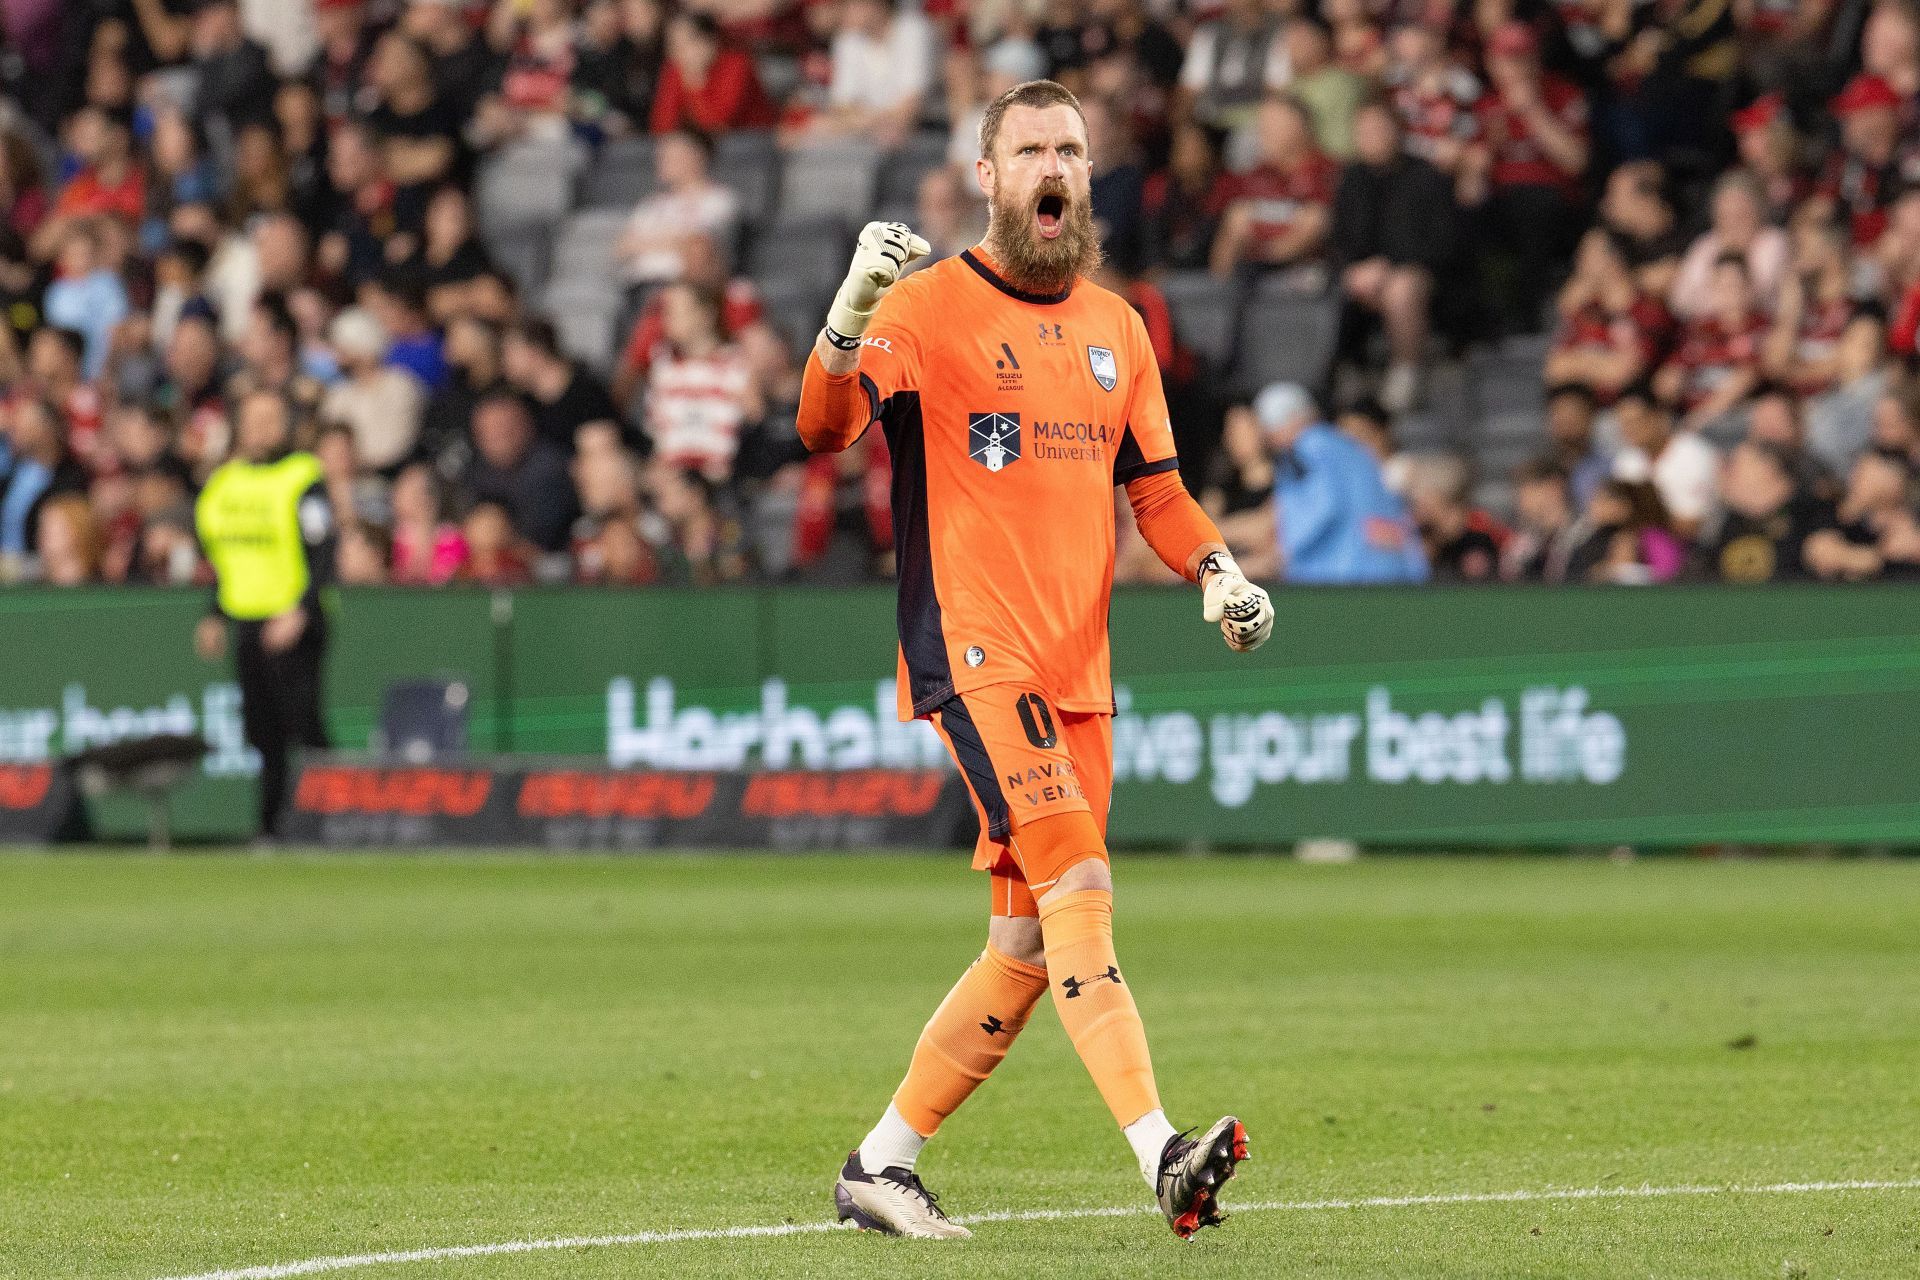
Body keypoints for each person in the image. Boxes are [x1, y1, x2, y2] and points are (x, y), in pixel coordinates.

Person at [796, 80, 1270, 1242]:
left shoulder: (1119, 329)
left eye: (1071, 148)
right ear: (990, 175)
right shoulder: (926, 305)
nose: (1054, 166)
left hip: (1078, 673)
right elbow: (822, 426)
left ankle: (880, 1164)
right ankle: (1162, 1152)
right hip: (976, 648)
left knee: (1021, 946)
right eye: (1031, 150)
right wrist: (850, 310)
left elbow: (1155, 491)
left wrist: (1216, 568)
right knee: (1082, 887)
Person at [193, 389, 334, 840]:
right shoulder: (226, 483)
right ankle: (270, 825)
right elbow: (223, 559)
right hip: (249, 622)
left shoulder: (302, 475)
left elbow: (324, 552)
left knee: (304, 725)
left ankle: (328, 820)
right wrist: (215, 613)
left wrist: (301, 610)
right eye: (253, 419)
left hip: (293, 620)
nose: (261, 429)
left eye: (271, 419)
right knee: (261, 732)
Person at [1241, 381, 1428, 584]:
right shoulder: (1347, 448)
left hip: (1344, 580)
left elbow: (1317, 511)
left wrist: (1276, 553)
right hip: (1394, 574)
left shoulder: (1307, 448)